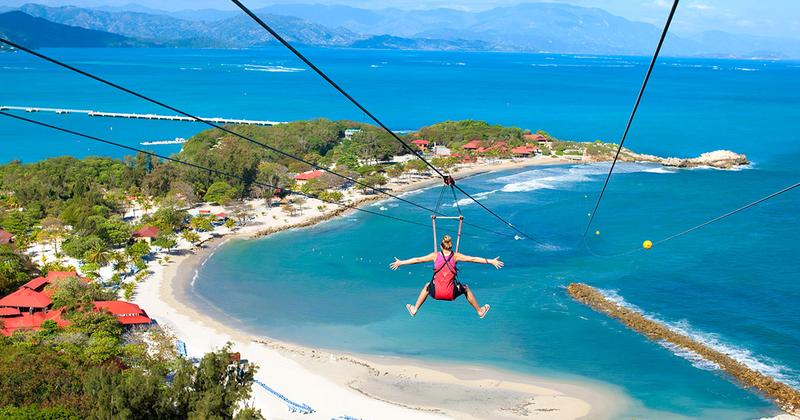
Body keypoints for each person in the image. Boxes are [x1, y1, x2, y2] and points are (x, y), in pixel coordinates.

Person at [389, 234, 503, 318]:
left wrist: (401, 262)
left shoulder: (434, 256)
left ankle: (414, 309)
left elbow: (417, 260)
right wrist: (491, 261)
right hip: (451, 294)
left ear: (441, 246)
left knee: (427, 286)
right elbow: (473, 259)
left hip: (436, 293)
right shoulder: (456, 256)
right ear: (450, 246)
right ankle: (480, 311)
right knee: (465, 288)